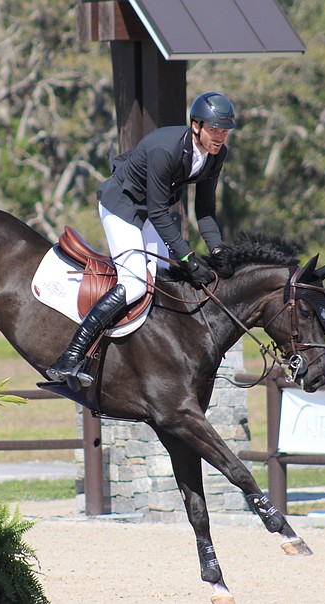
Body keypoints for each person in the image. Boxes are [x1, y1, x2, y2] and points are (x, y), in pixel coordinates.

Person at [46, 91, 237, 388]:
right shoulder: (166, 149)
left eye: (224, 131)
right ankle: (71, 356)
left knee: (163, 278)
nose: (220, 137)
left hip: (149, 212)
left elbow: (205, 209)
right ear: (196, 126)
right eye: (215, 130)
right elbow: (162, 212)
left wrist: (216, 248)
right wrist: (187, 257)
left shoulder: (216, 155)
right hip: (122, 207)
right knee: (135, 283)